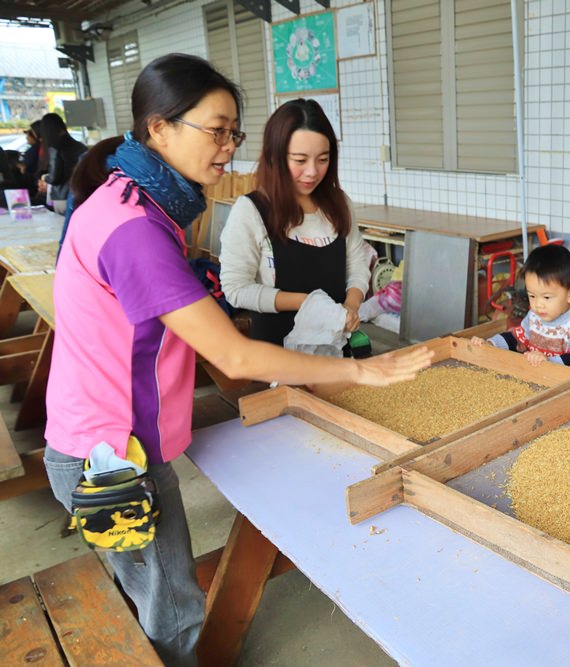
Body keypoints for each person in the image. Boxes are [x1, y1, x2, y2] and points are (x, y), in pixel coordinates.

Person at [44, 53, 431, 667]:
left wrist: (349, 307)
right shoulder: (136, 227)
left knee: (156, 584)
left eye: (233, 133)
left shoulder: (137, 203)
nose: (227, 148)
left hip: (115, 433)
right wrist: (364, 368)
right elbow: (229, 350)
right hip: (112, 451)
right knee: (172, 606)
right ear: (159, 128)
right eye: (215, 130)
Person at [219, 98, 369, 348]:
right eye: (300, 161)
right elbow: (236, 289)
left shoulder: (339, 204)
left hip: (334, 349)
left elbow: (357, 266)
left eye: (322, 159)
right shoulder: (251, 211)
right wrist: (308, 304)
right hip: (275, 352)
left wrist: (350, 306)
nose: (312, 172)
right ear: (275, 157)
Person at [471, 244, 570, 370]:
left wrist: (547, 361)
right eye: (532, 296)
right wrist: (491, 343)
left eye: (547, 297)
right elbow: (518, 338)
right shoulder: (537, 314)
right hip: (538, 375)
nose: (538, 304)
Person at [37, 112, 87, 213]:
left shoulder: (55, 148)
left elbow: (55, 178)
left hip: (63, 197)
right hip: (82, 194)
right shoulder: (80, 146)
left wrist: (44, 177)